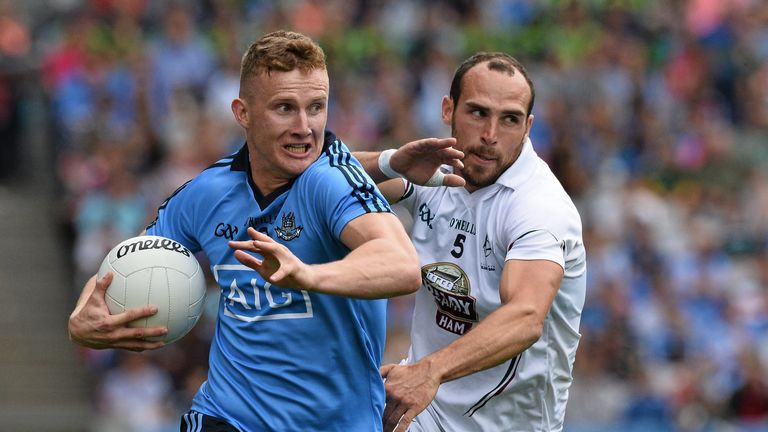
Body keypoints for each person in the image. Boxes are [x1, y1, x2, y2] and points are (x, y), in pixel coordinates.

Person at [68, 30, 436, 432]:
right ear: (242, 113)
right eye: (284, 108)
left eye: (316, 108)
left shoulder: (334, 181)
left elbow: (402, 265)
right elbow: (130, 261)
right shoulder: (208, 192)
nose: (304, 127)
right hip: (227, 417)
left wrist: (307, 276)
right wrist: (84, 315)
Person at [355, 52, 587, 432]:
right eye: (478, 113)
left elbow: (526, 316)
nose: (490, 135)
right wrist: (388, 163)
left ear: (527, 127)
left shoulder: (539, 207)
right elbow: (323, 184)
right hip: (420, 412)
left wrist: (429, 370)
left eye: (509, 119)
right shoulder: (436, 169)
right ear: (448, 109)